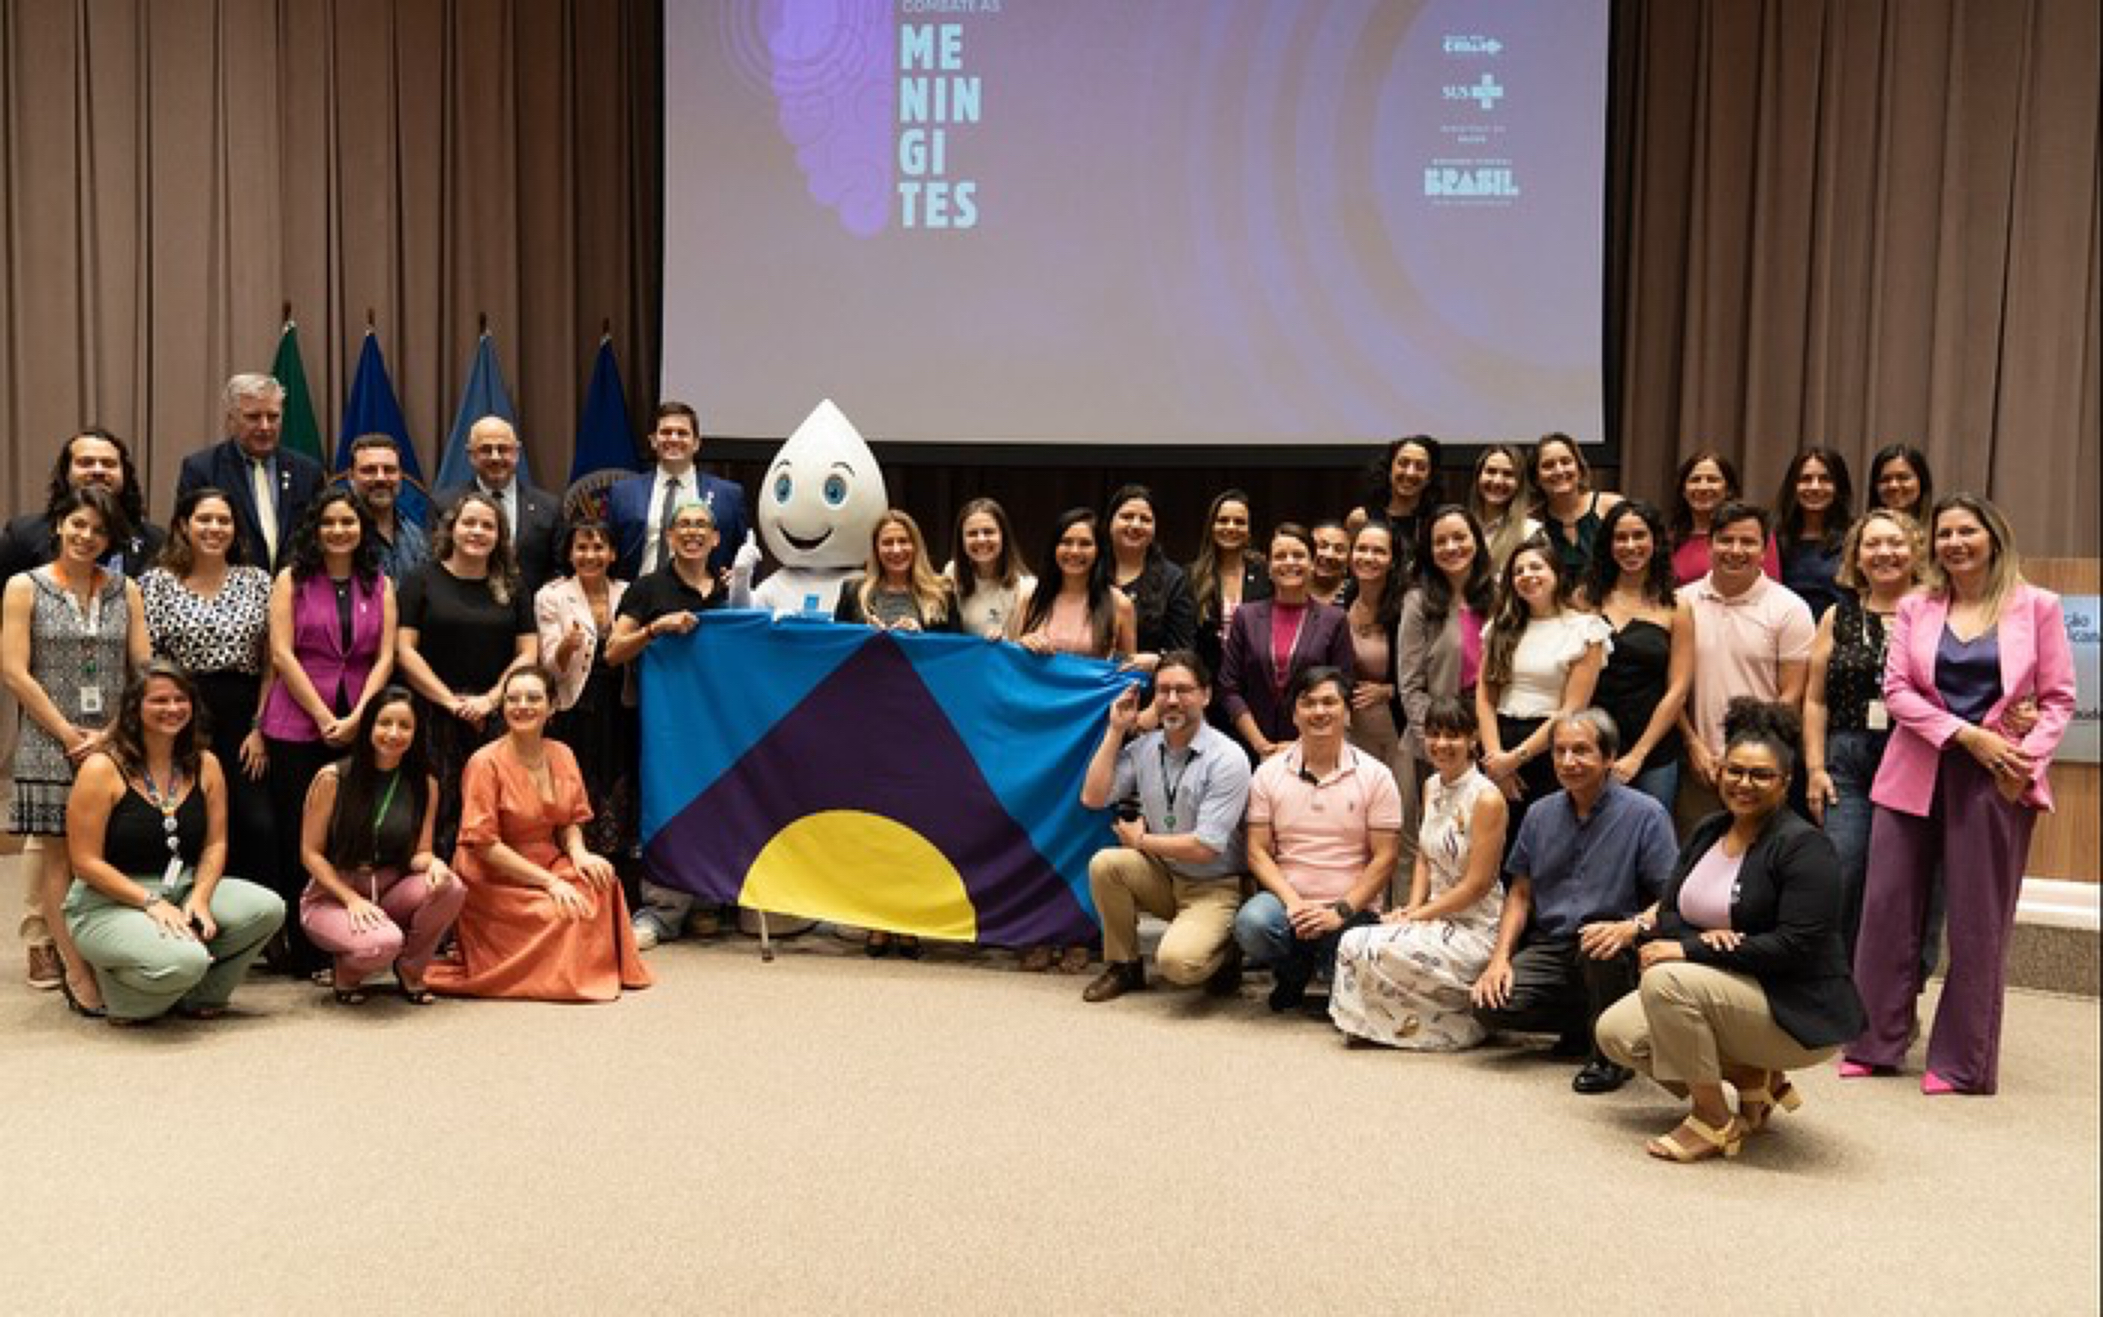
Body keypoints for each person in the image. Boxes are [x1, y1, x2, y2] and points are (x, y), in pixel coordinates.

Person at [1845, 495, 2075, 1096]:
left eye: (1965, 531)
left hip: (1998, 777)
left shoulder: (2039, 607)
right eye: (1943, 532)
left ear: (1993, 537)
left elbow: (2057, 701)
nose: (1953, 542)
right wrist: (1967, 735)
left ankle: (1961, 1062)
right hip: (1918, 767)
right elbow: (1896, 691)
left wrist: (2021, 761)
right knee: (1887, 911)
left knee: (1977, 922)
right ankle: (1874, 1042)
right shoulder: (1917, 605)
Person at [1595, 699, 1868, 1161]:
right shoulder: (1707, 832)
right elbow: (1671, 911)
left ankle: (1711, 1121)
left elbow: (1796, 947)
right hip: (1727, 990)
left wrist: (1701, 948)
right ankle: (1750, 1078)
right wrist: (1698, 941)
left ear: (1785, 782)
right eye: (1735, 771)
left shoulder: (1805, 847)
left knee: (1666, 981)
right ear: (1719, 772)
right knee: (1616, 1032)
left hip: (1793, 1009)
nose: (1745, 783)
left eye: (1761, 775)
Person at [62, 662, 286, 1023]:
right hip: (108, 902)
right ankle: (123, 992)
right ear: (134, 708)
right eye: (159, 700)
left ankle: (197, 994)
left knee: (268, 908)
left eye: (181, 699)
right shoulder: (102, 769)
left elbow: (215, 844)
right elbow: (85, 863)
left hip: (180, 888)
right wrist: (150, 902)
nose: (173, 708)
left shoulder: (206, 763)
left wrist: (199, 896)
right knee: (188, 960)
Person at [1471, 709, 1678, 1093]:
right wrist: (1499, 959)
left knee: (1600, 950)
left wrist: (1631, 927)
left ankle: (1611, 1055)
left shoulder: (1645, 814)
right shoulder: (1539, 813)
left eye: (1581, 751)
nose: (1568, 762)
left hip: (1614, 946)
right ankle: (1586, 1023)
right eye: (1560, 751)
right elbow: (1520, 893)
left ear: (1609, 757)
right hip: (1551, 945)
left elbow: (1673, 896)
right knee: (1490, 1005)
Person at [425, 665, 652, 1002]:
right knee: (564, 912)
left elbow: (571, 820)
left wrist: (578, 854)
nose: (522, 706)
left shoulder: (562, 753)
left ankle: (580, 966)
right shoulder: (483, 762)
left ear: (551, 707)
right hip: (493, 873)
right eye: (513, 699)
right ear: (503, 708)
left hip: (547, 857)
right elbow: (484, 845)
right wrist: (550, 883)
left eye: (533, 698)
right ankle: (557, 975)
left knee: (603, 883)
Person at [3, 487, 149, 1006]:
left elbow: (144, 670)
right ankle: (76, 970)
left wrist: (111, 731)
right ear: (59, 526)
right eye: (78, 525)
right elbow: (14, 671)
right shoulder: (25, 587)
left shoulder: (125, 590)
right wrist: (67, 735)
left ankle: (112, 955)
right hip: (48, 741)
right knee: (58, 859)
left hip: (113, 741)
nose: (87, 537)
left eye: (99, 530)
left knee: (109, 851)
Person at [258, 489, 398, 975]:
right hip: (297, 718)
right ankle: (304, 951)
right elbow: (281, 654)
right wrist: (322, 715)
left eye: (349, 523)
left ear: (363, 529)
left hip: (361, 717)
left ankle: (349, 938)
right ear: (315, 529)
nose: (340, 531)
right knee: (301, 834)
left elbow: (384, 656)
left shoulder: (379, 583)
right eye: (330, 523)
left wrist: (360, 715)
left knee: (348, 833)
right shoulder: (292, 579)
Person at [1329, 696, 1509, 1050]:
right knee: (1354, 941)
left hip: (1475, 925)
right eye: (1434, 734)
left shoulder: (1487, 798)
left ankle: (1453, 1027)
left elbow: (1477, 885)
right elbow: (1425, 856)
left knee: (1367, 944)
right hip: (1434, 914)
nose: (1442, 744)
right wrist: (1412, 908)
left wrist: (1416, 916)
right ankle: (1375, 1024)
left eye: (1453, 735)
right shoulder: (1432, 786)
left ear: (1473, 738)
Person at [1076, 652, 1251, 1002]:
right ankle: (1124, 966)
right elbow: (1093, 798)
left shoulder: (1228, 758)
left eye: (1183, 690)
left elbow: (1206, 847)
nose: (1172, 700)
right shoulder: (1145, 747)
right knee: (1105, 864)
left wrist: (1142, 842)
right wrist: (1115, 731)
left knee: (1177, 965)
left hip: (1215, 885)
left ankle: (1228, 952)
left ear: (1206, 695)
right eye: (1163, 690)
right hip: (1167, 876)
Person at [1234, 666, 1401, 1012]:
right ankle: (1293, 972)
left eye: (1330, 702)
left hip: (1351, 908)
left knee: (1350, 944)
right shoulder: (1268, 774)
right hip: (1288, 902)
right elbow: (1256, 851)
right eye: (1308, 703)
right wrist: (1294, 903)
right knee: (1253, 924)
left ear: (1348, 713)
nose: (1319, 712)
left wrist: (1339, 911)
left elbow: (1385, 857)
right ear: (1294, 714)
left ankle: (1328, 967)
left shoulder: (1377, 776)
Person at [141, 487, 277, 914]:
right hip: (179, 711)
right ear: (183, 524)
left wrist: (260, 727)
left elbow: (272, 663)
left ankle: (253, 918)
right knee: (190, 820)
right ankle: (190, 911)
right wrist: (165, 720)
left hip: (243, 713)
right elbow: (149, 661)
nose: (214, 529)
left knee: (256, 821)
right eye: (204, 519)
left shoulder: (256, 580)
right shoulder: (157, 582)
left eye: (224, 520)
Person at [605, 500, 734, 948]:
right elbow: (613, 651)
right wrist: (654, 630)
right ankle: (661, 907)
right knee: (664, 805)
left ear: (716, 539)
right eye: (684, 525)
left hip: (717, 722)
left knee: (714, 804)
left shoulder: (726, 590)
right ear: (671, 536)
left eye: (702, 525)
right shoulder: (646, 588)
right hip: (663, 725)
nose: (694, 532)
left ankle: (705, 901)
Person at [1803, 508, 1922, 959]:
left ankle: (1894, 998)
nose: (1884, 553)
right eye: (1872, 544)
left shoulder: (1932, 610)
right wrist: (1815, 768)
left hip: (1911, 757)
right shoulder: (1838, 616)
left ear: (1915, 552)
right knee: (1843, 873)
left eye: (1895, 543)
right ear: (1857, 555)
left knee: (1897, 881)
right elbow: (1814, 699)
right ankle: (1835, 988)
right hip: (1847, 758)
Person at [297, 686, 464, 1005]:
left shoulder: (424, 782)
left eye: (405, 725)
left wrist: (435, 864)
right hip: (332, 894)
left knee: (451, 887)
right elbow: (310, 853)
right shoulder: (332, 778)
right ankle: (346, 972)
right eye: (384, 723)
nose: (394, 733)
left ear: (416, 732)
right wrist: (350, 899)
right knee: (382, 944)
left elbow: (421, 853)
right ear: (368, 726)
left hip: (389, 888)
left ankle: (412, 969)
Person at [395, 490, 537, 858]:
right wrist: (450, 702)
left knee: (496, 809)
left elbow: (528, 652)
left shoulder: (514, 586)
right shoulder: (420, 581)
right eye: (469, 522)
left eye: (487, 525)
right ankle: (440, 899)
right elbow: (404, 649)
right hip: (432, 713)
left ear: (499, 536)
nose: (477, 531)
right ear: (452, 529)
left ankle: (491, 898)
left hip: (496, 714)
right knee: (438, 808)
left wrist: (490, 700)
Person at [1674, 501, 1816, 829]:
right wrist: (1693, 744)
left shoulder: (1790, 609)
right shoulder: (1682, 602)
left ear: (1764, 550)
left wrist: (1741, 756)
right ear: (1709, 545)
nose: (1736, 550)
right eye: (1725, 540)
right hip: (1697, 763)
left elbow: (1791, 693)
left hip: (1759, 768)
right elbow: (1672, 687)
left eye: (1748, 542)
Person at [1475, 534, 1610, 836]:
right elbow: (1485, 697)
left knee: (1545, 842)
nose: (1527, 576)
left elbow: (1572, 708)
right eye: (1518, 571)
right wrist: (1496, 759)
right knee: (1496, 844)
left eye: (1536, 567)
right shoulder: (1500, 627)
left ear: (1557, 574)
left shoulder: (1586, 629)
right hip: (1497, 744)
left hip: (1551, 748)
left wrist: (1515, 759)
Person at [535, 518, 637, 876]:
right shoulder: (552, 595)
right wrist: (565, 645)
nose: (589, 555)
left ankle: (621, 875)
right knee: (578, 784)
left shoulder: (629, 591)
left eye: (598, 547)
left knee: (621, 784)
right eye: (581, 547)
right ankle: (574, 866)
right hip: (576, 707)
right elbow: (551, 668)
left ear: (611, 554)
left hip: (622, 705)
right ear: (569, 553)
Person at [1580, 500, 1692, 813]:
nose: (1630, 546)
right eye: (1620, 538)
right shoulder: (1585, 599)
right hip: (1592, 744)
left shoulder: (1677, 606)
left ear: (1655, 542)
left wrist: (1638, 754)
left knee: (1650, 843)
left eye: (1639, 536)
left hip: (1653, 751)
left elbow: (1678, 689)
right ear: (1608, 544)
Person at [1397, 507, 1495, 854]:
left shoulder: (1499, 597)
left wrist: (1485, 740)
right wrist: (1440, 740)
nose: (1451, 547)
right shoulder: (1418, 600)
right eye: (1440, 541)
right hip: (1430, 740)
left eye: (1460, 537)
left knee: (1478, 842)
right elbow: (1409, 685)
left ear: (1477, 542)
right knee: (1422, 844)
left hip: (1489, 738)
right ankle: (1412, 910)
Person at [1218, 523, 1356, 761]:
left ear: (1312, 564)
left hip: (1314, 748)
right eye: (1280, 556)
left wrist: (1299, 745)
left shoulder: (1334, 620)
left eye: (1298, 555)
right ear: (1269, 568)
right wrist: (1260, 744)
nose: (1289, 562)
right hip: (1251, 748)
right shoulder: (1245, 616)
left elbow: (1343, 688)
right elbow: (1229, 687)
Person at [174, 373, 325, 572]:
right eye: (253, 417)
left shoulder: (307, 471)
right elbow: (186, 538)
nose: (265, 426)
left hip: (294, 591)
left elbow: (316, 537)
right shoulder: (202, 469)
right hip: (227, 593)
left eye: (273, 417)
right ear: (231, 420)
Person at [0, 428, 164, 585]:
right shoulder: (23, 535)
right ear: (66, 473)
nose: (98, 470)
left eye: (108, 463)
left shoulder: (154, 541)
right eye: (86, 462)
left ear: (124, 474)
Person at [607, 400, 748, 579]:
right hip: (639, 600)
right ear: (653, 440)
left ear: (696, 443)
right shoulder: (623, 493)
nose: (673, 439)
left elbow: (744, 555)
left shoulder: (728, 495)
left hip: (706, 602)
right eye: (666, 432)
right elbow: (608, 553)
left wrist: (737, 576)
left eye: (682, 433)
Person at [454, 416, 561, 596]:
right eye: (486, 450)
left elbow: (560, 569)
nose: (495, 457)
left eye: (503, 449)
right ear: (471, 455)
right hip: (465, 612)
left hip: (533, 615)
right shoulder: (445, 504)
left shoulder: (549, 507)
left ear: (516, 453)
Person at [1185, 488, 1270, 710]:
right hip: (1206, 693)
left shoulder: (1266, 574)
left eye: (1239, 522)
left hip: (1257, 690)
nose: (1231, 527)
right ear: (1211, 527)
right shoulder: (1192, 576)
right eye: (1223, 520)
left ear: (1249, 529)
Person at [1015, 508, 1136, 661]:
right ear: (1054, 548)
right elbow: (1015, 662)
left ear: (1099, 551)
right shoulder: (1032, 598)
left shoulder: (1120, 604)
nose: (1074, 551)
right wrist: (1023, 644)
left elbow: (1130, 671)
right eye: (1066, 542)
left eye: (1085, 544)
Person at [1102, 484, 1196, 672]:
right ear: (1110, 521)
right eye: (1127, 517)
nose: (1135, 525)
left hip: (1151, 689)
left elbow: (1186, 652)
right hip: (1089, 685)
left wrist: (1158, 660)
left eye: (1145, 519)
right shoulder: (1089, 569)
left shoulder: (1174, 580)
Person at [833, 509, 962, 635]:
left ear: (916, 546)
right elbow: (837, 645)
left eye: (903, 541)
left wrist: (921, 637)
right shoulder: (852, 592)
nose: (896, 550)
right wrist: (863, 635)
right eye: (887, 543)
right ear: (876, 549)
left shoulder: (943, 592)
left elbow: (955, 649)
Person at [1668, 448, 1780, 585]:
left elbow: (1771, 591)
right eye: (1695, 480)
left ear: (1728, 490)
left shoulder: (1755, 535)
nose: (1703, 487)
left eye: (1712, 480)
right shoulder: (1670, 540)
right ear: (1683, 491)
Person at [1774, 447, 1853, 619]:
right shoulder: (1774, 539)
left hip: (1840, 636)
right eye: (1805, 479)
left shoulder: (1856, 537)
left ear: (1839, 486)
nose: (1815, 487)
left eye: (1825, 479)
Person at [1529, 432, 1621, 579]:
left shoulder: (1612, 507)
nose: (1559, 471)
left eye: (1566, 462)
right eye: (1548, 465)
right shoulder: (1531, 522)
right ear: (1536, 477)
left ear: (1579, 467)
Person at [944, 497, 1034, 640]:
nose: (981, 539)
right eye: (972, 533)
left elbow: (1026, 644)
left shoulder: (1027, 588)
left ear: (1003, 535)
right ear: (961, 540)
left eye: (988, 532)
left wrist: (1006, 640)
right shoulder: (952, 572)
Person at [346, 434, 428, 583]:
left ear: (400, 476)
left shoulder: (415, 535)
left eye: (389, 470)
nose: (381, 478)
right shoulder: (339, 534)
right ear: (351, 477)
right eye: (369, 470)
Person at [1347, 434, 1442, 558]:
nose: (1410, 473)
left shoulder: (1439, 522)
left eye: (1420, 467)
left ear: (1429, 477)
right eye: (1403, 463)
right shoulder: (1360, 519)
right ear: (1389, 468)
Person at [1467, 442, 1540, 574]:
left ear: (1520, 484)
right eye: (1491, 471)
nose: (1497, 481)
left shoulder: (1531, 532)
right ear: (1478, 476)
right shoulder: (1462, 527)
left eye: (1508, 474)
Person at [1865, 443, 1935, 525]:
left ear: (1922, 482)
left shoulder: (1938, 529)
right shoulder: (1863, 533)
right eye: (1885, 479)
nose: (1893, 485)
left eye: (1903, 477)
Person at [1306, 519, 1353, 607]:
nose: (1329, 555)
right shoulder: (1290, 589)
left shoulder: (1355, 594)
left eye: (1339, 549)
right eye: (1322, 546)